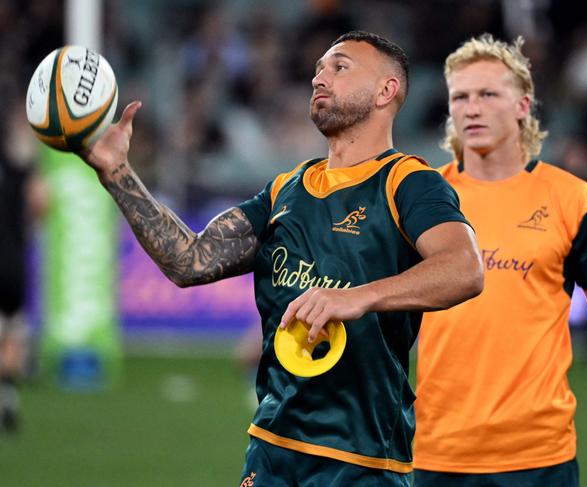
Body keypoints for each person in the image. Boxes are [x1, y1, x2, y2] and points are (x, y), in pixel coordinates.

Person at [78, 31, 483, 486]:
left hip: (362, 461)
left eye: (340, 67)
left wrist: (359, 297)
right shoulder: (285, 190)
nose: (319, 78)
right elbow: (189, 261)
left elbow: (465, 269)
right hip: (271, 451)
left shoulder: (407, 182)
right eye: (318, 70)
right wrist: (117, 172)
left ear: (386, 91)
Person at [413, 34, 587, 486]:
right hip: (435, 455)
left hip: (539, 458)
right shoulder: (420, 200)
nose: (472, 108)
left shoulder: (571, 200)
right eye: (460, 96)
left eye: (488, 94)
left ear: (523, 105)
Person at [0, 100, 48, 433]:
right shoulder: (19, 167)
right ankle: (8, 396)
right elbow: (42, 202)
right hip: (12, 258)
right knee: (13, 331)